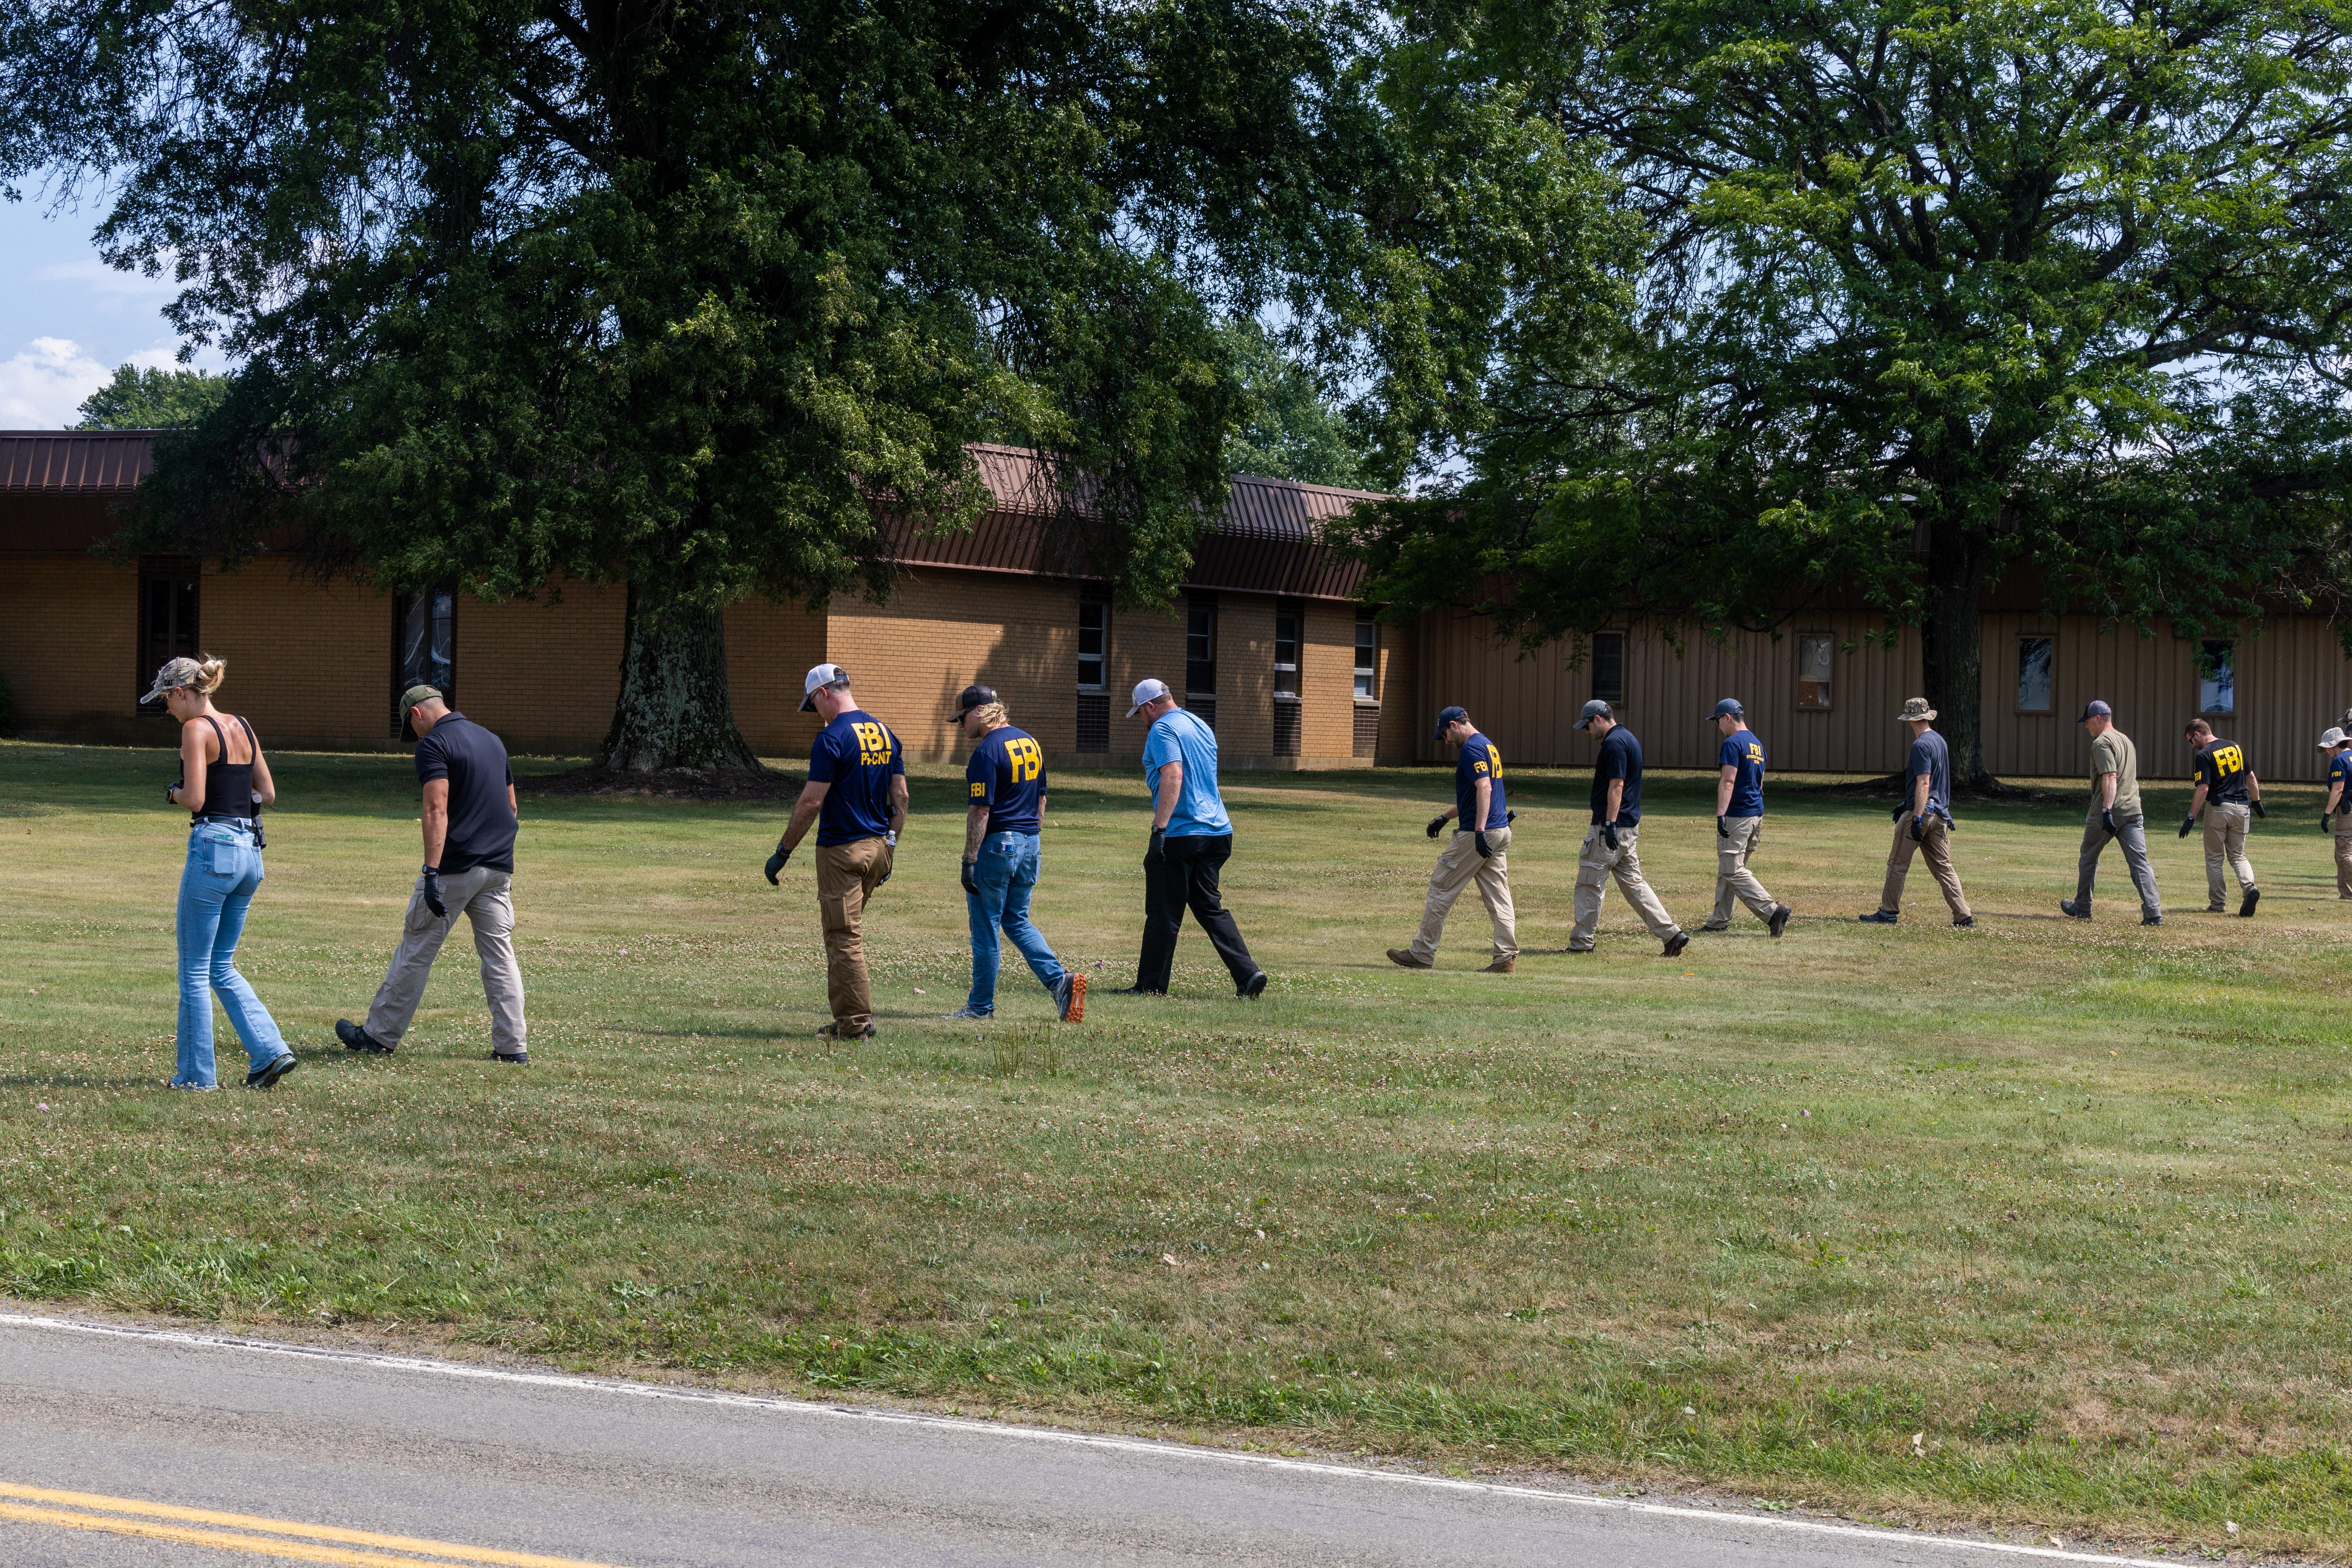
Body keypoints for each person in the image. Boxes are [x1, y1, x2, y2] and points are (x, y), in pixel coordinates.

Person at [337, 685, 530, 1062]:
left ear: (417, 715)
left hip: (455, 868)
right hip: (498, 868)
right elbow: (511, 806)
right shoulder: (491, 740)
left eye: (414, 729)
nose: (417, 738)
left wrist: (431, 872)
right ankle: (513, 1048)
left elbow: (435, 810)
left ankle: (378, 1036)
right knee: (499, 957)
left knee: (416, 948)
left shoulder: (434, 745)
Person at [145, 656, 298, 1091]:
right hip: (250, 854)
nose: (167, 711)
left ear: (181, 693)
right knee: (221, 965)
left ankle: (196, 1077)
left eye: (166, 701)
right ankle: (270, 1051)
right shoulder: (243, 725)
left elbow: (195, 797)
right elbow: (267, 793)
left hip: (214, 851)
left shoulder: (194, 730)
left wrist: (172, 793)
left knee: (194, 969)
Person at [762, 664, 907, 1040]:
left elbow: (811, 804)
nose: (816, 714)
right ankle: (852, 1019)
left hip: (842, 852)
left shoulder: (832, 739)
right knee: (849, 934)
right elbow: (901, 796)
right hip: (878, 848)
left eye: (813, 705)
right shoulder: (886, 734)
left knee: (844, 939)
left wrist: (783, 851)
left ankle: (854, 1025)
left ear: (825, 693)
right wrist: (890, 844)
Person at [1115, 678, 1267, 998]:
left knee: (1163, 910)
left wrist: (1159, 829)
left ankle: (1150, 986)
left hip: (1183, 832)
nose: (1141, 721)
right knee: (1208, 906)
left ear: (1150, 707)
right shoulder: (1199, 724)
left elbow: (1173, 774)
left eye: (1140, 714)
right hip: (1218, 831)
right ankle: (1248, 974)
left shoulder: (1162, 730)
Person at [946, 684, 1086, 1022]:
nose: (960, 726)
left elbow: (981, 811)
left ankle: (980, 1008)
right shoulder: (1030, 742)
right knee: (1016, 920)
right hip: (1030, 843)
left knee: (986, 927)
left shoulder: (986, 752)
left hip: (998, 847)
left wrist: (969, 859)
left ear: (979, 712)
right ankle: (1060, 981)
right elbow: (1041, 800)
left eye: (962, 718)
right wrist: (1030, 837)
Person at [1386, 705, 1517, 973]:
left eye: (1444, 734)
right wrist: (1445, 818)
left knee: (1441, 888)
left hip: (1480, 833)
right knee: (1499, 897)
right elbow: (1475, 796)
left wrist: (1479, 831)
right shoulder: (1488, 745)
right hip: (1501, 830)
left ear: (1454, 725)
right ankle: (1505, 959)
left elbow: (1484, 787)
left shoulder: (1470, 749)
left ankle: (1422, 954)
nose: (1445, 741)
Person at [1565, 700, 1689, 957]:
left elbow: (1617, 785)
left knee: (1590, 884)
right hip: (1629, 828)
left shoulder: (1614, 743)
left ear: (1598, 719)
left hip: (1611, 828)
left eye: (1587, 727)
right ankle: (1672, 935)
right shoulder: (1629, 738)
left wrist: (1609, 824)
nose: (1587, 732)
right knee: (1635, 885)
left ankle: (1581, 944)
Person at [1861, 697, 1973, 927]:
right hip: (1941, 816)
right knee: (1944, 868)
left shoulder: (1921, 745)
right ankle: (1964, 916)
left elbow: (1924, 783)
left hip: (1922, 814)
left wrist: (1917, 817)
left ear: (1911, 720)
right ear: (1927, 716)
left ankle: (1888, 912)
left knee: (1898, 865)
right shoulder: (1939, 741)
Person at [2062, 699, 2162, 926]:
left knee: (2089, 858)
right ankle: (2154, 913)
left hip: (2107, 811)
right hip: (2134, 811)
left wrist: (2107, 811)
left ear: (2098, 719)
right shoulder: (2126, 740)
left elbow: (2110, 776)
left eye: (2088, 722)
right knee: (2140, 863)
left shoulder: (2101, 743)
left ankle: (2083, 908)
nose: (2087, 727)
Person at [1697, 698, 1791, 937]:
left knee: (1732, 869)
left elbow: (1728, 780)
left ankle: (1773, 912)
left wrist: (1721, 814)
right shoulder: (1757, 744)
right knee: (1729, 869)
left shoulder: (1732, 743)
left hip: (1738, 815)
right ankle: (1719, 921)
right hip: (1755, 815)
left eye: (1718, 721)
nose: (1718, 727)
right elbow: (1759, 782)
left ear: (1728, 718)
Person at [2178, 717, 2263, 916]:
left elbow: (2204, 788)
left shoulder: (2204, 755)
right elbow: (2250, 777)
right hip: (2243, 807)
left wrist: (2191, 817)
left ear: (2197, 735)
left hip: (2219, 808)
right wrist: (2257, 801)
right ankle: (2250, 888)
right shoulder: (2236, 747)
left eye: (2191, 741)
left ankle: (2217, 905)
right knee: (2238, 856)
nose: (2192, 746)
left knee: (2215, 859)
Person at [2321, 726, 2352, 900]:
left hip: (2348, 812)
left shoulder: (2339, 761)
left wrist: (2327, 814)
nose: (2326, 752)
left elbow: (2338, 790)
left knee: (2344, 852)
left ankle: (2349, 894)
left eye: (2327, 747)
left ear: (2335, 745)